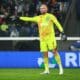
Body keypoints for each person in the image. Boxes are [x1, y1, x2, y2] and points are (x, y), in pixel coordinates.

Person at [18, 4, 66, 75]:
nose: (42, 9)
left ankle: (61, 68)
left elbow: (57, 23)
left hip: (50, 38)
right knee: (44, 54)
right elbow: (29, 18)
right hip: (42, 39)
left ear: (46, 9)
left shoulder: (50, 16)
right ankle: (47, 70)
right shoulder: (38, 17)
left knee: (54, 51)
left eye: (43, 8)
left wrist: (62, 32)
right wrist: (20, 17)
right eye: (41, 8)